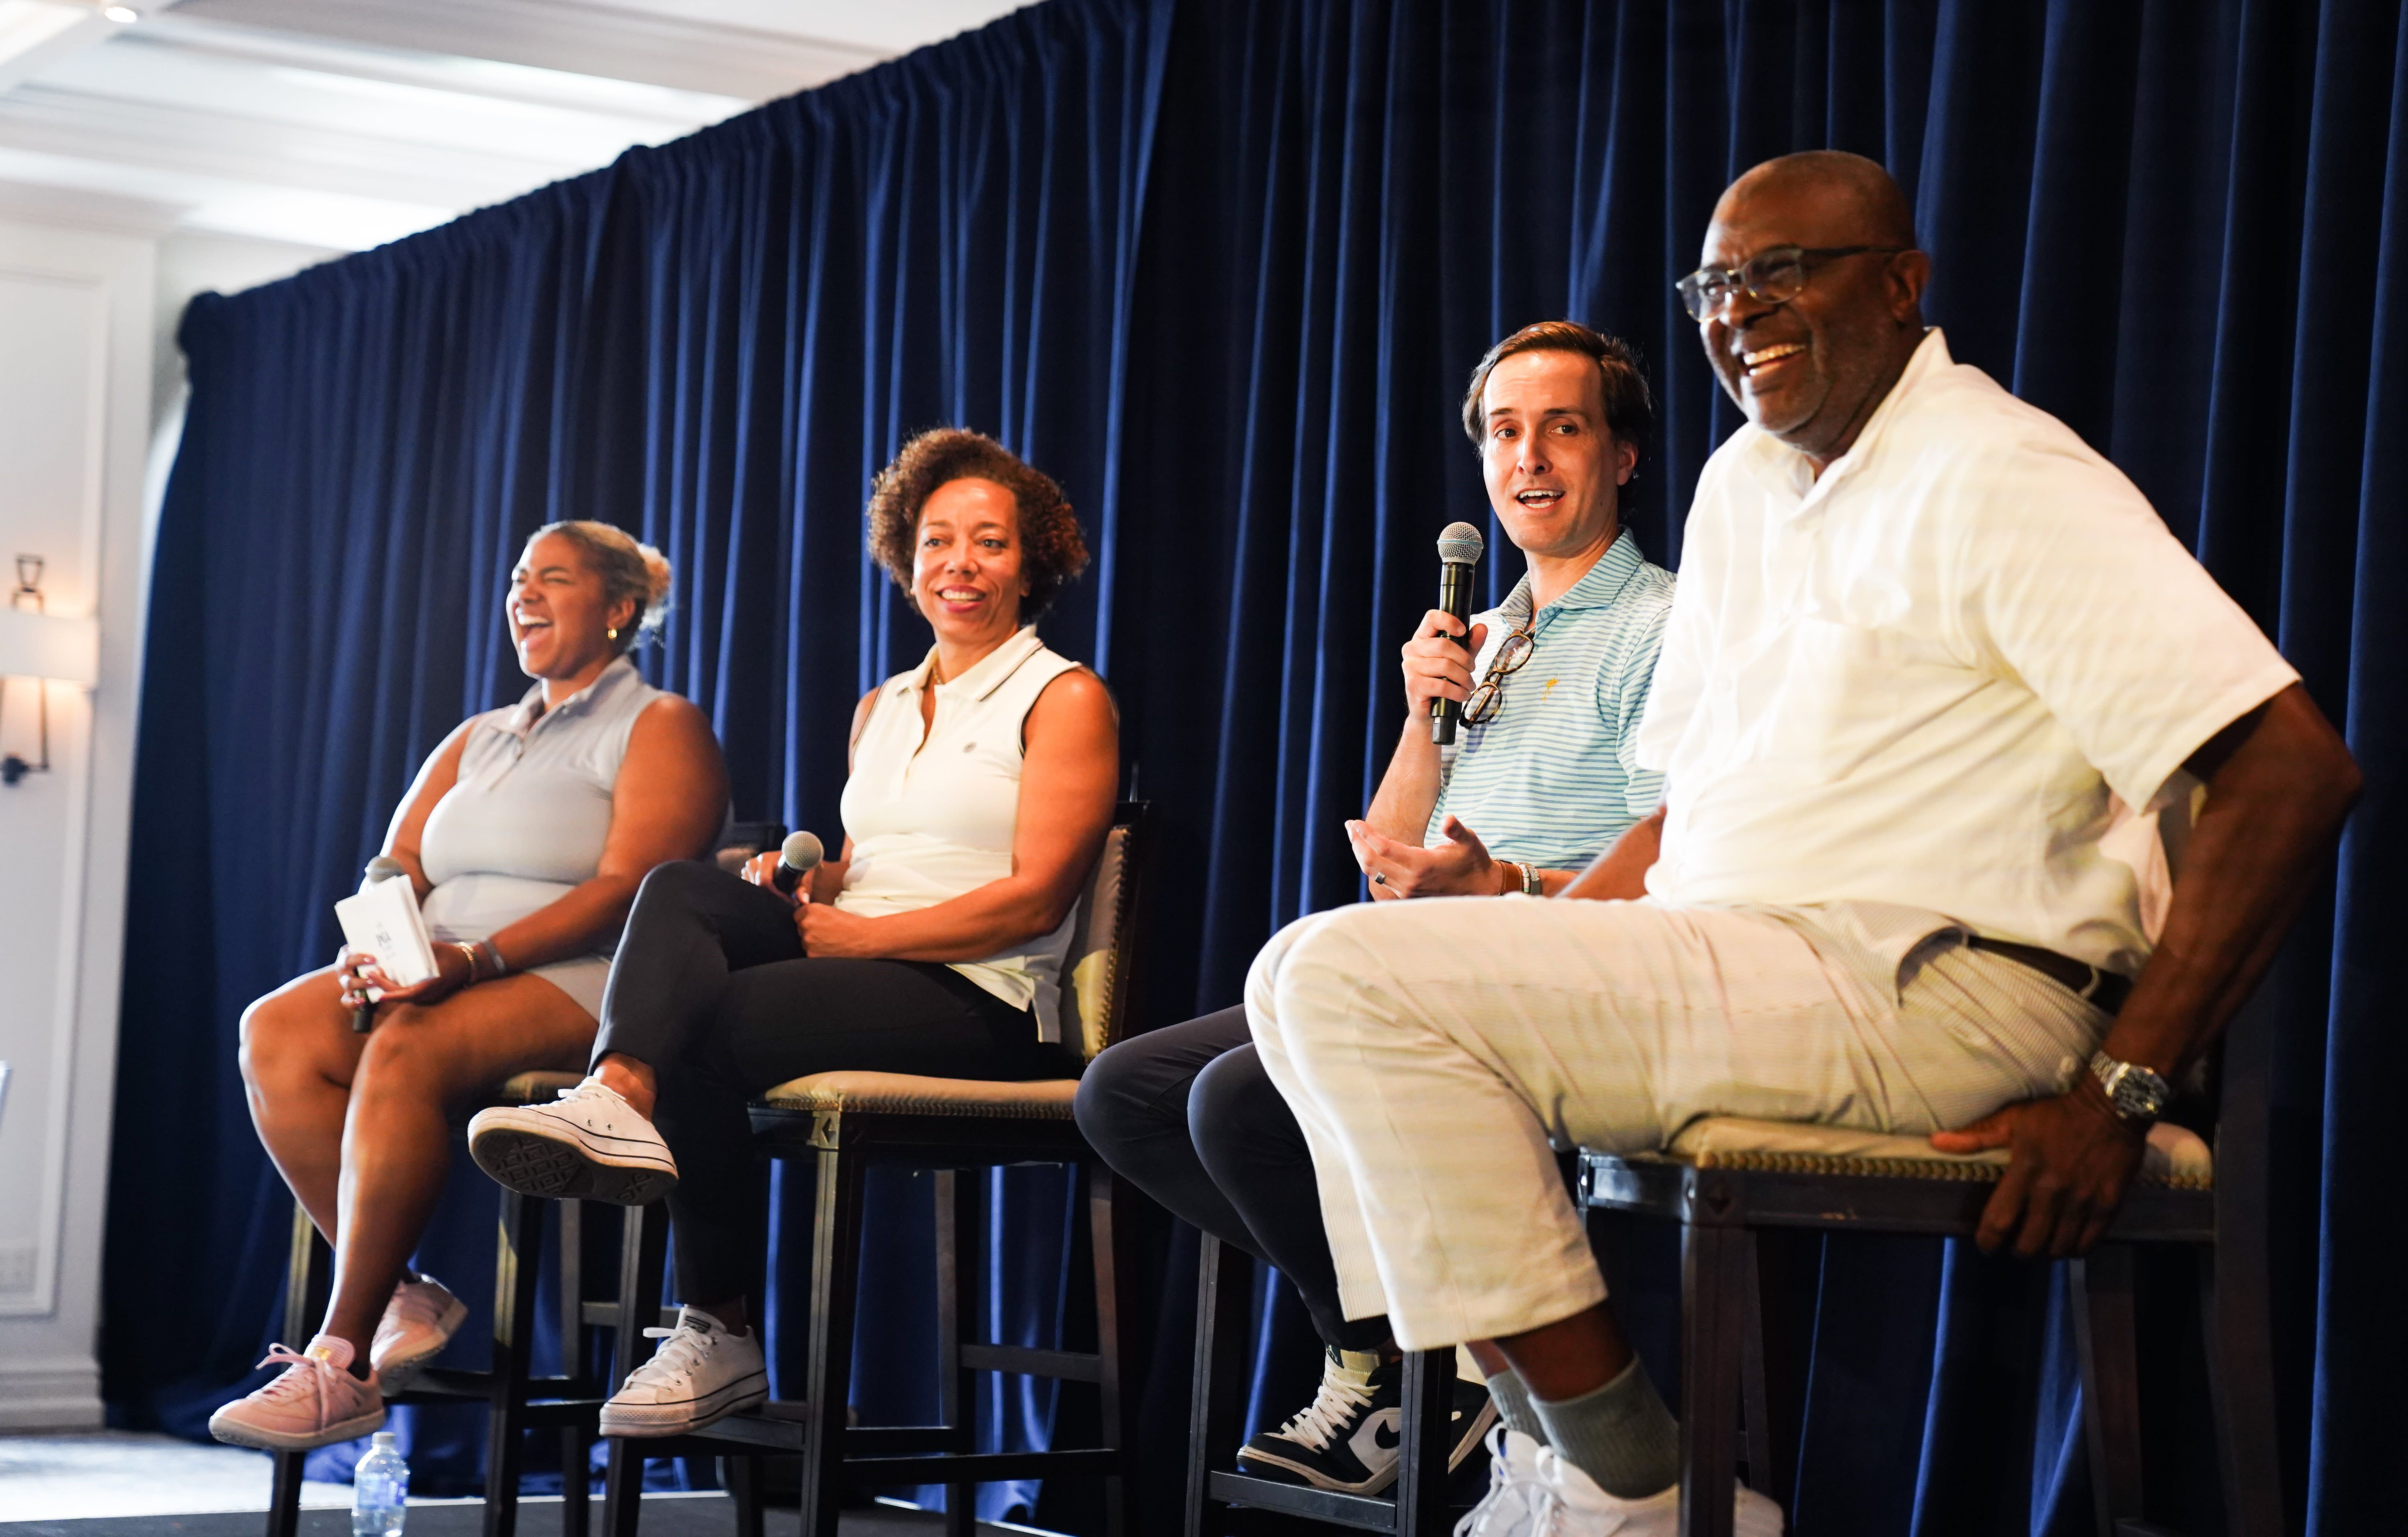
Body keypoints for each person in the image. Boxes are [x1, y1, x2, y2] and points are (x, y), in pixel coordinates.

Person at [1243, 150, 2362, 1537]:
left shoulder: (1997, 469)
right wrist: (1540, 932)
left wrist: (2123, 1090)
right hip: (1743, 956)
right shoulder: (1741, 487)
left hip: (1942, 985)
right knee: (1301, 984)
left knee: (1349, 979)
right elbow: (1684, 812)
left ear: (1902, 287)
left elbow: (2293, 772)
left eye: (1785, 272)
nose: (1742, 309)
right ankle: (1565, 1460)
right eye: (1718, 282)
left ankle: (1635, 1494)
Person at [1075, 323, 1674, 1496]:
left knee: (1240, 1101)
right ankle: (1406, 1357)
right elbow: (1390, 860)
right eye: (1505, 432)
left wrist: (1514, 889)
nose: (1530, 458)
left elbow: (1672, 844)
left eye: (1564, 427)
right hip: (1420, 973)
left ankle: (1422, 1374)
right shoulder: (1483, 635)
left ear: (1624, 455)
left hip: (1559, 978)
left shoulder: (1663, 623)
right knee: (1130, 1096)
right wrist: (1418, 712)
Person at [468, 429, 1120, 1437]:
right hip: (863, 961)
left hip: (981, 994)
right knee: (686, 885)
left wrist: (868, 937)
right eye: (938, 539)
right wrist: (816, 881)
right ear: (906, 559)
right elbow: (875, 858)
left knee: (706, 1018)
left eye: (988, 542)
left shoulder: (1063, 696)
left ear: (1031, 562)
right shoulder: (884, 705)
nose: (959, 563)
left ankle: (715, 1327)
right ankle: (617, 1095)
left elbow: (1035, 901)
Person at [212, 522, 730, 1452]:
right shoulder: (478, 736)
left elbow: (634, 890)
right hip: (442, 973)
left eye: (555, 579)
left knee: (408, 1047)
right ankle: (403, 1292)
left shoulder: (660, 723)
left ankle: (343, 1362)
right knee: (276, 1031)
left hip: (582, 984)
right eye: (519, 578)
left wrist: (475, 961)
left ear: (619, 610)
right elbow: (398, 856)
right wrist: (384, 942)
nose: (524, 594)